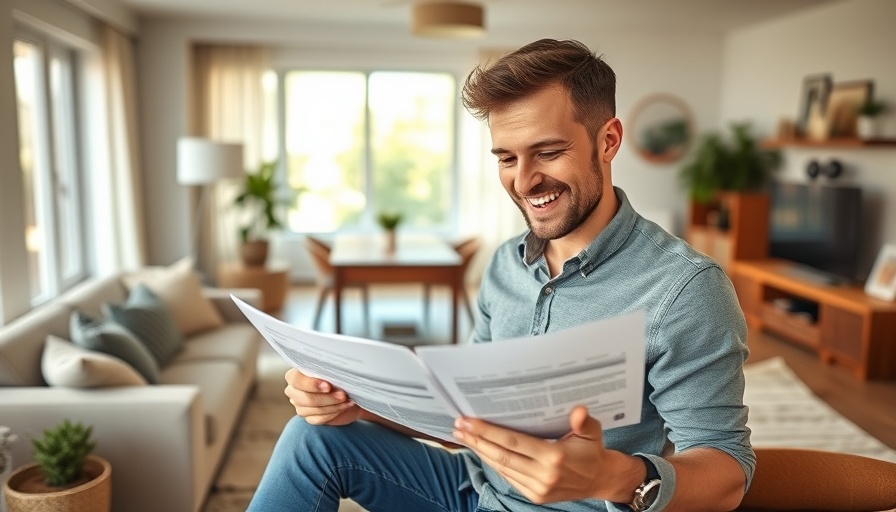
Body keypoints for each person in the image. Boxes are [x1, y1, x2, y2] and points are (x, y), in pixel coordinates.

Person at [248, 38, 754, 512]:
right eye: (507, 158)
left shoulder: (685, 289)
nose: (525, 180)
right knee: (310, 437)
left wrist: (612, 478)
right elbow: (467, 420)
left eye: (548, 152)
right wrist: (354, 406)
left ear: (608, 140)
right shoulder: (505, 264)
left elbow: (728, 471)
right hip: (472, 488)